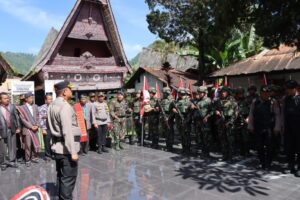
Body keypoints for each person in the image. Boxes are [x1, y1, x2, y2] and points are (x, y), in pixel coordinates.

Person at [47, 80, 80, 200]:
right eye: (70, 89)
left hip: (57, 147)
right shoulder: (65, 106)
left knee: (61, 177)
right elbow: (67, 131)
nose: (72, 91)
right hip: (67, 151)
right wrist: (73, 152)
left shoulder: (52, 105)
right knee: (68, 180)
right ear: (65, 92)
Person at [248, 85, 281, 170]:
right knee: (259, 146)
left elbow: (277, 115)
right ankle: (262, 162)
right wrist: (250, 125)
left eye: (267, 93)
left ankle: (268, 162)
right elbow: (251, 114)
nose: (266, 95)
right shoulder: (255, 101)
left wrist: (277, 127)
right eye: (264, 93)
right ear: (261, 93)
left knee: (270, 146)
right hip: (258, 127)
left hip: (269, 127)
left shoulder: (273, 102)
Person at [213, 87, 237, 161]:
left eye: (225, 92)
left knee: (230, 140)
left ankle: (230, 156)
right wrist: (216, 111)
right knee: (222, 140)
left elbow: (236, 113)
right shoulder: (218, 101)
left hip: (229, 122)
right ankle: (224, 155)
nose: (223, 93)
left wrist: (230, 122)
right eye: (222, 92)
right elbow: (214, 108)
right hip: (221, 122)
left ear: (227, 92)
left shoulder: (232, 100)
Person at [283, 80, 300, 176]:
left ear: (294, 89)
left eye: (289, 89)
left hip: (298, 127)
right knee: (290, 148)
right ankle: (292, 165)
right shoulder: (287, 99)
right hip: (289, 127)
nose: (288, 91)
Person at [18, 92, 40, 167]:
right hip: (27, 129)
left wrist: (37, 125)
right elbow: (22, 119)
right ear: (26, 99)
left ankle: (34, 157)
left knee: (35, 143)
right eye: (30, 98)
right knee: (28, 145)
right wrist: (31, 127)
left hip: (35, 128)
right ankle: (27, 159)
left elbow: (37, 116)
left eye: (32, 97)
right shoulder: (22, 108)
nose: (32, 99)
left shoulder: (35, 106)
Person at [0, 92, 21, 171]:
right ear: (0, 100)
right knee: (3, 148)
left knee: (12, 146)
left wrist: (18, 127)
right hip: (2, 131)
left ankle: (12, 161)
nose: (7, 99)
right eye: (5, 98)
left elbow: (16, 117)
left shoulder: (12, 106)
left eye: (8, 98)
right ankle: (3, 163)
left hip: (12, 130)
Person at [171, 88, 192, 154]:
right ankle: (184, 149)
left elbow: (191, 111)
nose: (182, 95)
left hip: (186, 120)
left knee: (187, 136)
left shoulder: (189, 101)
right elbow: (171, 108)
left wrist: (187, 120)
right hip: (178, 120)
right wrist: (173, 109)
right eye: (180, 94)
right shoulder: (176, 101)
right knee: (182, 135)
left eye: (183, 94)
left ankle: (188, 149)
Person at [195, 86, 212, 157]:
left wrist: (207, 117)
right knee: (200, 137)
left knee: (206, 138)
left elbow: (212, 111)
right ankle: (203, 152)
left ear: (204, 93)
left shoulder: (208, 100)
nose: (199, 94)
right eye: (198, 92)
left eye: (200, 92)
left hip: (205, 122)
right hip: (198, 121)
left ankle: (206, 153)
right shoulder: (198, 101)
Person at [234, 87, 251, 156]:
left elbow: (251, 110)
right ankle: (241, 151)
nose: (240, 95)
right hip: (237, 119)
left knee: (245, 136)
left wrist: (248, 118)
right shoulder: (235, 100)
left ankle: (247, 151)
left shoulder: (247, 100)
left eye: (241, 93)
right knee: (238, 136)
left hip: (245, 118)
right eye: (238, 93)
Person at [39, 93, 53, 161]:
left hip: (54, 128)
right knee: (47, 143)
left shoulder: (54, 107)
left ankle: (54, 154)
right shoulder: (42, 107)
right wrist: (43, 129)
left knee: (55, 142)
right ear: (45, 100)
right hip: (46, 128)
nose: (51, 100)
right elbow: (40, 119)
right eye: (49, 99)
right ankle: (47, 156)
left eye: (51, 99)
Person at [159, 87, 174, 151]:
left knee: (170, 133)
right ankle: (167, 145)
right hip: (163, 117)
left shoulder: (171, 100)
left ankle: (170, 147)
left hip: (169, 118)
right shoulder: (162, 100)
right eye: (164, 93)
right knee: (165, 133)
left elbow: (173, 111)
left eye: (165, 93)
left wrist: (169, 117)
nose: (164, 94)